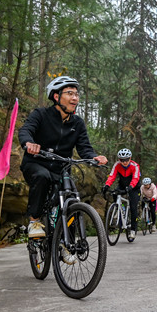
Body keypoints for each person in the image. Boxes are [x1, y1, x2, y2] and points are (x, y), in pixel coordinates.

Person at [19, 75, 108, 239]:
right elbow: (26, 130)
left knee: (72, 195)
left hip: (61, 168)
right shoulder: (40, 114)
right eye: (69, 93)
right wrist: (29, 143)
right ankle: (35, 221)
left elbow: (84, 148)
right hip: (36, 163)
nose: (75, 98)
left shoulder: (78, 123)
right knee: (42, 177)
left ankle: (68, 242)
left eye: (76, 94)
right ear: (56, 96)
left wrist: (94, 157)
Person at [102, 148, 141, 238]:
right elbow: (112, 176)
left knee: (133, 207)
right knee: (115, 193)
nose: (124, 162)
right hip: (123, 184)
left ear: (130, 158)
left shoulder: (134, 166)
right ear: (119, 160)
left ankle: (133, 230)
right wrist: (106, 186)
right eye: (122, 160)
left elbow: (135, 178)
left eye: (127, 159)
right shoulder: (117, 165)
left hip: (134, 187)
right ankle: (120, 208)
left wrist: (130, 187)